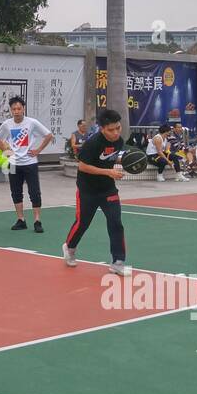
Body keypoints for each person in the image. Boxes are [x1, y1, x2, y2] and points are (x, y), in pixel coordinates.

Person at [62, 110, 130, 275]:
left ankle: (118, 262)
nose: (115, 132)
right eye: (111, 130)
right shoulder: (92, 143)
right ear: (102, 129)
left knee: (115, 223)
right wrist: (108, 172)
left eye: (118, 128)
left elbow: (110, 158)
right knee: (82, 223)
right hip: (87, 190)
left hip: (108, 189)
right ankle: (69, 247)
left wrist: (130, 161)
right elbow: (82, 166)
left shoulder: (119, 141)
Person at [0, 96, 54, 233]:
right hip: (14, 163)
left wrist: (38, 150)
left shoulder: (31, 123)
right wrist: (7, 150)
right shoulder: (7, 124)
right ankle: (21, 220)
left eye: (19, 108)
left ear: (23, 109)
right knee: (16, 192)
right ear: (10, 110)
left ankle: (37, 221)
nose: (16, 111)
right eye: (14, 109)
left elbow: (48, 135)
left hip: (30, 163)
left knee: (34, 192)